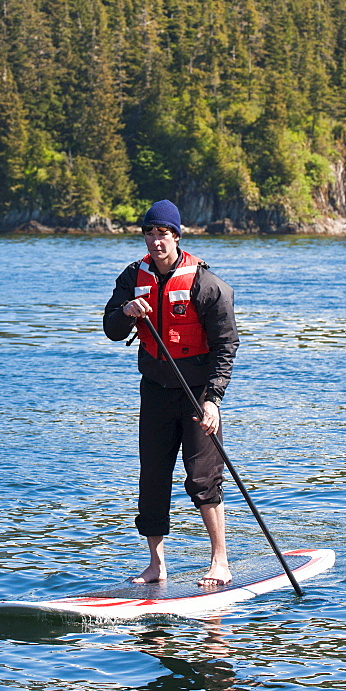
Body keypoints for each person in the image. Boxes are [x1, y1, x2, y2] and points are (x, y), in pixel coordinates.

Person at [103, 199, 239, 586]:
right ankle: (156, 564)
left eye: (162, 234)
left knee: (202, 478)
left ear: (176, 236)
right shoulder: (133, 275)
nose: (155, 241)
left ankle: (220, 561)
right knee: (154, 475)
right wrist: (126, 311)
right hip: (157, 390)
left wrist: (213, 399)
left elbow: (226, 345)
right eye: (149, 233)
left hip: (197, 394)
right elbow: (111, 328)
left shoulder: (206, 284)